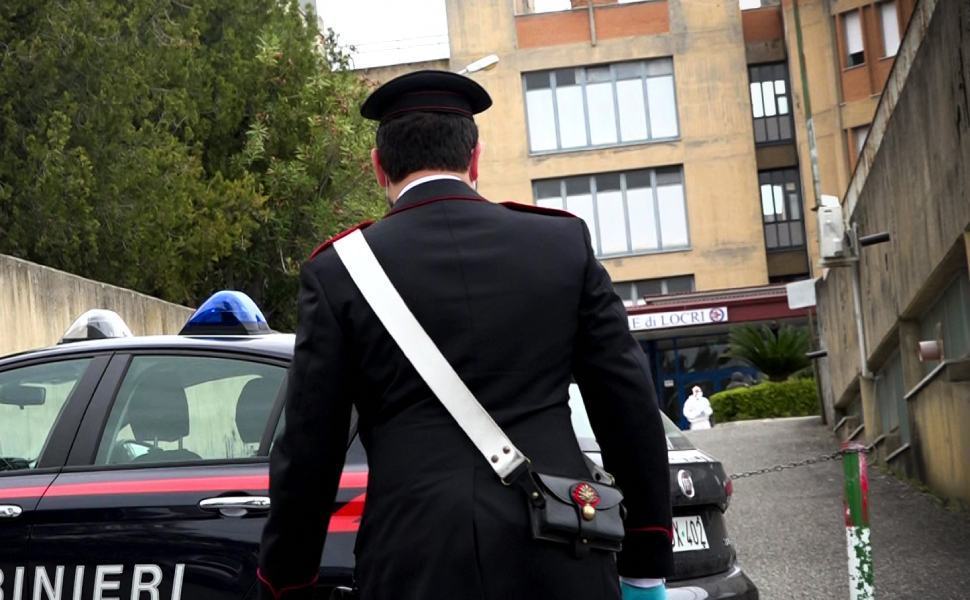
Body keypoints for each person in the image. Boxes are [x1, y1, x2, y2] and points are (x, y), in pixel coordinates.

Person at [257, 70, 673, 600]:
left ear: (378, 167)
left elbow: (309, 450)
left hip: (415, 559)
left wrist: (286, 580)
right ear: (475, 159)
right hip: (563, 548)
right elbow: (628, 406)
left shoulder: (339, 271)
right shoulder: (562, 245)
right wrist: (644, 559)